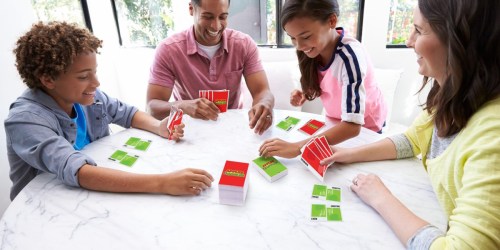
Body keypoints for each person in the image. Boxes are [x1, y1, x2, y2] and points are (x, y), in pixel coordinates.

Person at [320, 0, 500, 248]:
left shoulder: (493, 135)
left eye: (419, 30)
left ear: (461, 40)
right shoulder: (450, 94)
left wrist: (381, 197)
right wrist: (349, 154)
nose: (408, 41)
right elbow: (412, 140)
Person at [5, 21, 214, 201]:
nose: (96, 83)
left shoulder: (87, 96)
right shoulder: (25, 120)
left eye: (94, 72)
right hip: (43, 209)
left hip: (91, 196)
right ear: (48, 79)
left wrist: (159, 126)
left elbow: (127, 113)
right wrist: (163, 183)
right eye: (83, 76)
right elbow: (79, 171)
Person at [259, 0, 387, 158]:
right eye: (292, 38)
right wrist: (306, 93)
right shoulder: (312, 48)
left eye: (305, 36)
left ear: (332, 21)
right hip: (336, 123)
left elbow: (353, 126)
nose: (298, 45)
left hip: (366, 130)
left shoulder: (350, 57)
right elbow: (330, 81)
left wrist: (297, 148)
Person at [147, 0, 274, 135]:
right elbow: (152, 107)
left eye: (223, 17)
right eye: (208, 17)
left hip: (233, 130)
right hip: (186, 132)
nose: (216, 26)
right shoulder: (168, 50)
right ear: (191, 9)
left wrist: (264, 104)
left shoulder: (244, 44)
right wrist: (183, 106)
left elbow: (262, 91)